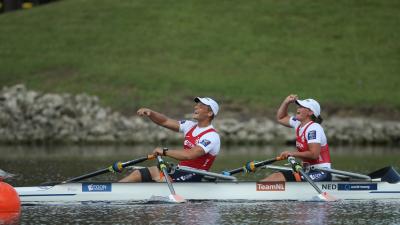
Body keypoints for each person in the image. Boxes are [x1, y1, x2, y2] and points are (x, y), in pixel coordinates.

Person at [120, 97, 220, 182]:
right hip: (180, 171)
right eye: (196, 105)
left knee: (160, 180)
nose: (196, 107)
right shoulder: (189, 125)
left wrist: (165, 152)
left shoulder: (211, 136)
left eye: (201, 107)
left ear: (210, 113)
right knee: (138, 174)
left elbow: (189, 155)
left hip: (195, 175)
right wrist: (151, 113)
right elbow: (165, 121)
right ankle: (112, 190)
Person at [261, 94, 332, 182]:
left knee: (279, 178)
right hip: (307, 170)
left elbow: (314, 154)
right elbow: (281, 118)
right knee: (276, 175)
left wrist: (292, 153)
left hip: (321, 172)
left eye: (302, 107)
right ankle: (256, 192)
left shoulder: (314, 128)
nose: (298, 108)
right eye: (298, 106)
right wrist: (286, 102)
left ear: (310, 112)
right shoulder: (298, 124)